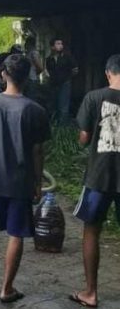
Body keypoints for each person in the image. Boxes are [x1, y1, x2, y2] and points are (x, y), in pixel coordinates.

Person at [0, 54, 51, 304]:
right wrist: (37, 183)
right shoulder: (36, 110)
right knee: (16, 234)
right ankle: (6, 289)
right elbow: (38, 152)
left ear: (3, 74)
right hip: (21, 182)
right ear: (27, 77)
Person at [69, 54, 120, 308]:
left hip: (99, 175)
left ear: (108, 73)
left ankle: (91, 293)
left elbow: (84, 138)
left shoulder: (94, 97)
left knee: (91, 230)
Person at [46, 37, 79, 124]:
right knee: (53, 103)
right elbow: (49, 70)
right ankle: (54, 122)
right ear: (52, 47)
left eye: (61, 44)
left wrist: (68, 77)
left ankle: (63, 125)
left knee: (64, 104)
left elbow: (75, 69)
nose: (61, 46)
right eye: (58, 44)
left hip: (65, 83)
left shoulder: (67, 57)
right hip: (53, 84)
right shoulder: (49, 59)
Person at [24, 36, 43, 102]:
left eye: (26, 43)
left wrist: (35, 74)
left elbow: (40, 67)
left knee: (31, 99)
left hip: (32, 80)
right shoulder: (29, 53)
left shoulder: (34, 53)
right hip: (28, 79)